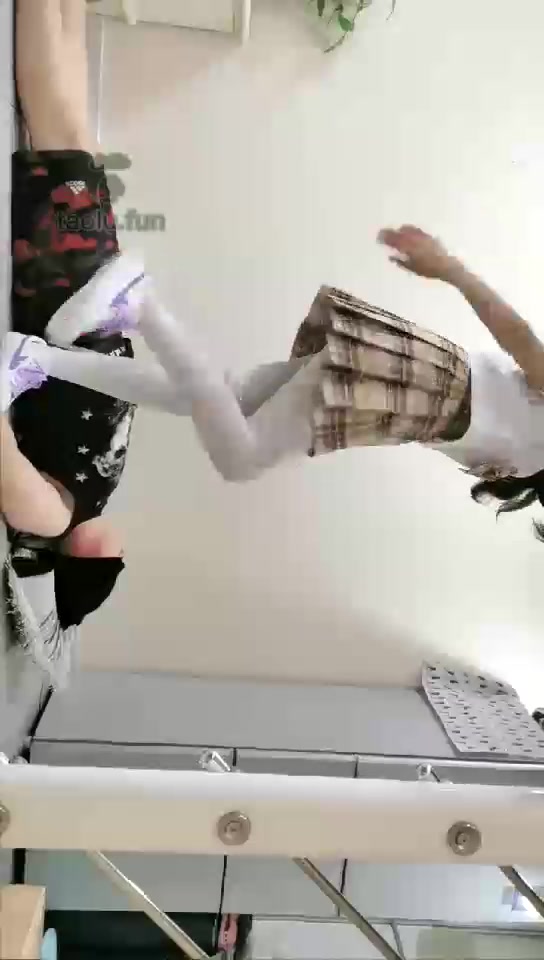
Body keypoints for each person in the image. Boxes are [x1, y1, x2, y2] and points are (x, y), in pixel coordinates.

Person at [4, 226, 544, 540]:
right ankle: (140, 303)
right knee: (241, 457)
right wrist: (449, 267)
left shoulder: (530, 470)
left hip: (422, 398)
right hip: (427, 387)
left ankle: (37, 360)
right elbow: (521, 339)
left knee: (222, 398)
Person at [0, 0, 144, 678]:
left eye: (109, 567)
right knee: (77, 136)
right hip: (98, 299)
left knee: (55, 129)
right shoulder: (95, 498)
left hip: (63, 298)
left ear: (79, 563)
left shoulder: (52, 516)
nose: (120, 555)